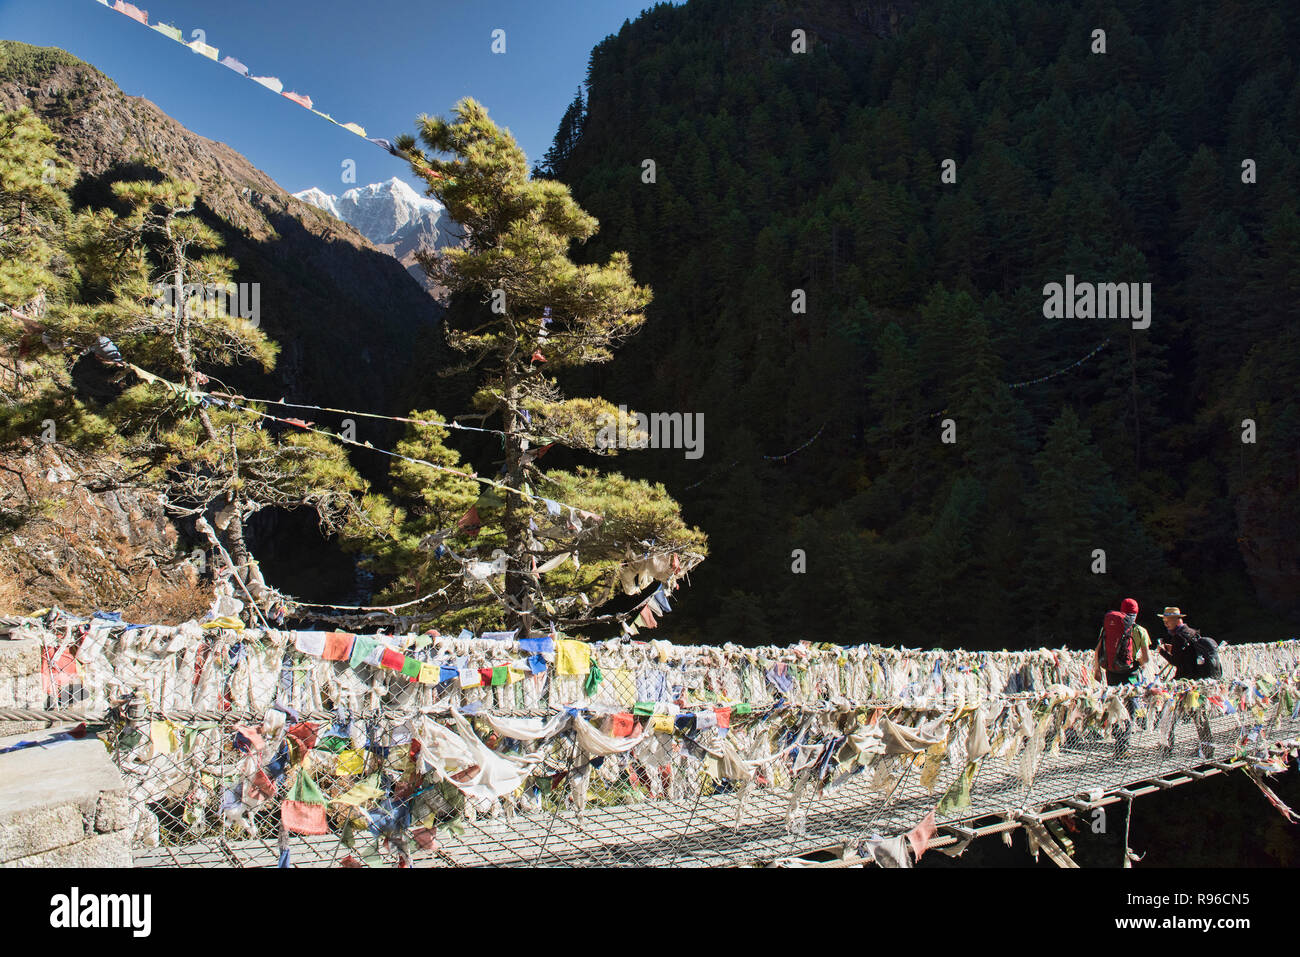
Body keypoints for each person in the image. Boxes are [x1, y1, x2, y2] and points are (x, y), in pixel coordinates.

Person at [1093, 598, 1150, 757]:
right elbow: (1146, 659)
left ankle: (1118, 742)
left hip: (1111, 673)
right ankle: (1123, 747)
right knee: (1130, 709)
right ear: (1136, 613)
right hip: (1130, 675)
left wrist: (1097, 670)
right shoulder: (1140, 631)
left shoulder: (1108, 627)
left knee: (1114, 707)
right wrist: (1138, 661)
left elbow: (1097, 650)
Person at [1156, 606, 1214, 758]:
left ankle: (1166, 748)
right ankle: (1208, 746)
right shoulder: (1192, 632)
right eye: (1164, 620)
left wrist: (1162, 651)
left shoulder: (1179, 637)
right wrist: (1173, 650)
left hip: (1182, 683)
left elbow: (1176, 662)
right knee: (1199, 715)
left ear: (1177, 619)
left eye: (1167, 620)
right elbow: (1186, 656)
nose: (1166, 623)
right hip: (1196, 681)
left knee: (1169, 714)